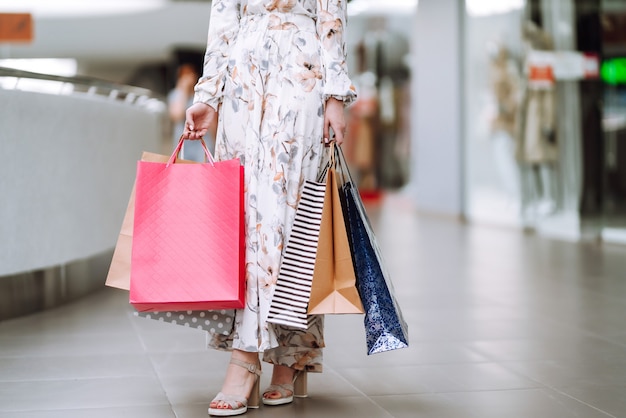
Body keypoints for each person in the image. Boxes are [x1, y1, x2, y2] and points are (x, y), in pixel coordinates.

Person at [183, 0, 356, 416]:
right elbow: (224, 18)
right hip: (242, 80)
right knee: (243, 220)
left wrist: (335, 95)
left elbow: (331, 16)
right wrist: (208, 94)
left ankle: (276, 357)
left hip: (301, 74)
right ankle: (263, 355)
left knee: (294, 218)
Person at [168, 63, 214, 160]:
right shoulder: (175, 95)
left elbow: (213, 121)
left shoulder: (201, 96)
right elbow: (176, 115)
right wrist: (183, 91)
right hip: (183, 141)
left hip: (201, 141)